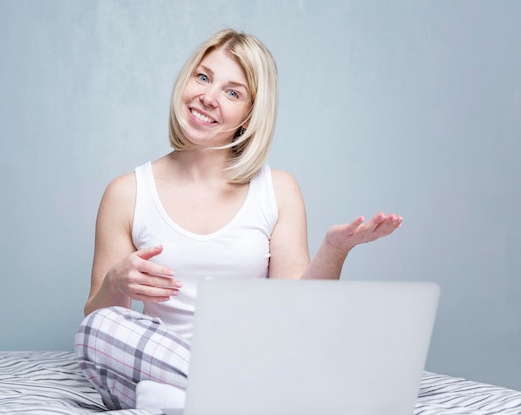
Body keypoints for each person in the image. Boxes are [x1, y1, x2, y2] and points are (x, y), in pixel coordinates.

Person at [74, 28, 403, 411]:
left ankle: (198, 402)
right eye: (203, 77)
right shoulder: (127, 192)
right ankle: (241, 401)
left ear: (250, 114)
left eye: (232, 92)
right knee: (96, 330)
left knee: (336, 343)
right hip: (162, 366)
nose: (208, 97)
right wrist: (116, 281)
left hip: (256, 361)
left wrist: (335, 250)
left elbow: (301, 314)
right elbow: (102, 322)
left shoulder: (277, 189)